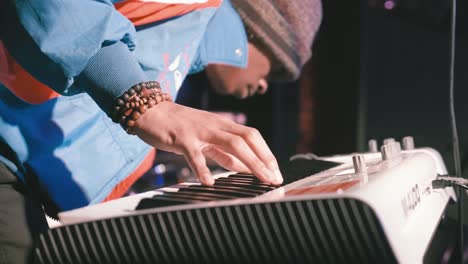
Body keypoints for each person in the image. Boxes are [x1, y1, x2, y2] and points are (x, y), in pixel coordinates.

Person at [0, 0, 322, 262]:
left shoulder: (184, 45)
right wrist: (147, 104)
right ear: (256, 31)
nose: (265, 85)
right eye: (278, 67)